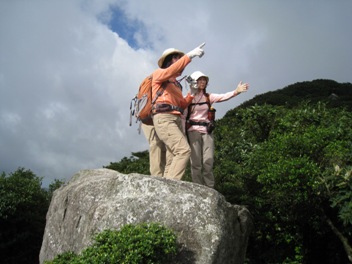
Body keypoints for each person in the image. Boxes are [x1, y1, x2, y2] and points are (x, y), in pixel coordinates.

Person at [184, 71, 249, 188]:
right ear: (194, 82)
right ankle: (197, 187)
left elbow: (223, 96)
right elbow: (183, 116)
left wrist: (236, 92)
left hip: (207, 130)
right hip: (192, 130)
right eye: (200, 80)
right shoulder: (188, 98)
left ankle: (209, 187)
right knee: (196, 162)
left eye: (204, 80)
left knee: (208, 161)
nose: (203, 82)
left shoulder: (208, 97)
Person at [151, 44, 205, 180]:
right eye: (176, 58)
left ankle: (166, 185)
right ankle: (172, 187)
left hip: (175, 119)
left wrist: (191, 94)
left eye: (179, 58)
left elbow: (182, 104)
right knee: (183, 150)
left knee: (172, 156)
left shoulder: (175, 84)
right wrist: (189, 56)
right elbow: (171, 70)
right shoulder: (159, 74)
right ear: (169, 61)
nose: (179, 60)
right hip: (164, 118)